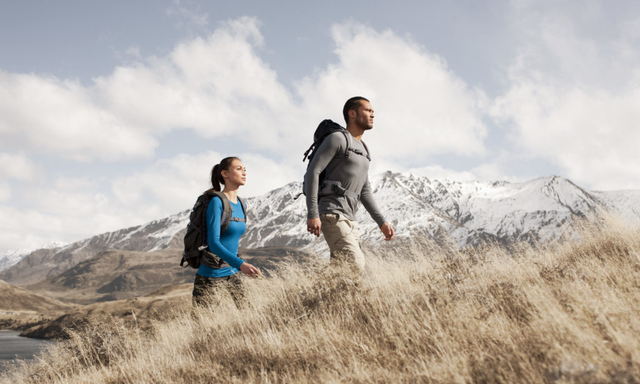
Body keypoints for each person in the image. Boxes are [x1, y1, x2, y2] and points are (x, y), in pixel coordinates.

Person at [304, 96, 395, 275]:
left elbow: (365, 190)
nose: (372, 114)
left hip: (351, 220)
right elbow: (313, 172)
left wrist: (381, 222)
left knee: (342, 272)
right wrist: (313, 213)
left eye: (373, 111)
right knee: (355, 264)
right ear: (352, 113)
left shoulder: (364, 149)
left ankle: (319, 299)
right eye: (368, 110)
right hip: (331, 214)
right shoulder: (337, 139)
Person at [192, 156, 262, 307]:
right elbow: (214, 243)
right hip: (211, 276)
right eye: (238, 169)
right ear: (225, 174)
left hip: (233, 272)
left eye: (245, 170)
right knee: (202, 324)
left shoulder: (242, 204)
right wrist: (241, 264)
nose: (244, 173)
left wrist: (238, 266)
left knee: (248, 316)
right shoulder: (216, 202)